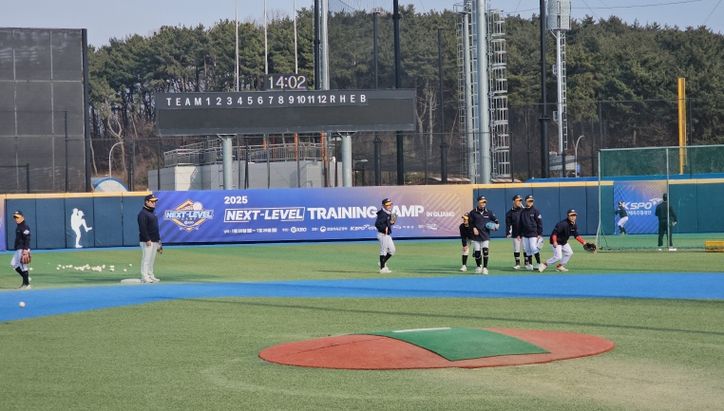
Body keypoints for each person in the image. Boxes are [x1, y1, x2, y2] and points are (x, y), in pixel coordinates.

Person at [467, 195, 499, 275]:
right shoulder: (473, 212)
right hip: (476, 236)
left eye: (484, 202)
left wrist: (496, 226)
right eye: (482, 202)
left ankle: (485, 268)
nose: (483, 204)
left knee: (485, 251)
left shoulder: (489, 212)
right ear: (478, 202)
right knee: (477, 253)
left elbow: (496, 220)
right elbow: (470, 223)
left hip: (485, 235)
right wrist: (474, 228)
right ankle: (478, 267)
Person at [138, 193, 162, 283]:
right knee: (146, 259)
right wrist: (147, 239)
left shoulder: (152, 212)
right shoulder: (142, 214)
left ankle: (150, 275)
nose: (154, 203)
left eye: (155, 201)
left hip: (155, 240)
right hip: (147, 241)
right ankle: (144, 276)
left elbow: (155, 228)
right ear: (146, 202)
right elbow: (142, 228)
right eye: (152, 202)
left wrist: (158, 240)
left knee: (151, 259)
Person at [519, 195, 544, 270]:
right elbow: (520, 224)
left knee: (533, 247)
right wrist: (520, 234)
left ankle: (539, 263)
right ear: (525, 201)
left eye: (531, 201)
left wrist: (540, 233)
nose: (530, 202)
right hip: (524, 234)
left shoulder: (535, 211)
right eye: (529, 201)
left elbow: (539, 223)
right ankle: (530, 264)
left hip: (533, 233)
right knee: (527, 249)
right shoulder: (522, 211)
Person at [10, 210, 32, 289]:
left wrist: (25, 250)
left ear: (22, 217)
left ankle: (27, 284)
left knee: (23, 266)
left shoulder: (24, 226)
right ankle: (26, 280)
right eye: (15, 217)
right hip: (18, 249)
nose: (16, 219)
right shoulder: (19, 226)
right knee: (13, 264)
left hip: (23, 249)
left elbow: (27, 238)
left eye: (18, 217)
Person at [505, 194, 527, 270]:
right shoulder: (509, 213)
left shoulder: (524, 210)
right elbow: (508, 224)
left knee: (525, 248)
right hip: (515, 233)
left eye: (520, 200)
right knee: (516, 249)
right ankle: (517, 264)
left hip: (524, 233)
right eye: (518, 200)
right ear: (513, 201)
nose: (519, 202)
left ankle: (527, 263)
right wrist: (508, 233)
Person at [375, 198, 396, 273]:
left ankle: (382, 262)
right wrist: (384, 228)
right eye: (387, 205)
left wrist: (391, 222)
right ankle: (382, 268)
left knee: (392, 250)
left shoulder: (388, 212)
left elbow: (388, 223)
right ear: (383, 205)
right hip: (382, 234)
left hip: (387, 235)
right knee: (383, 251)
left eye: (390, 204)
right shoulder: (382, 213)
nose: (389, 206)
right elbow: (377, 224)